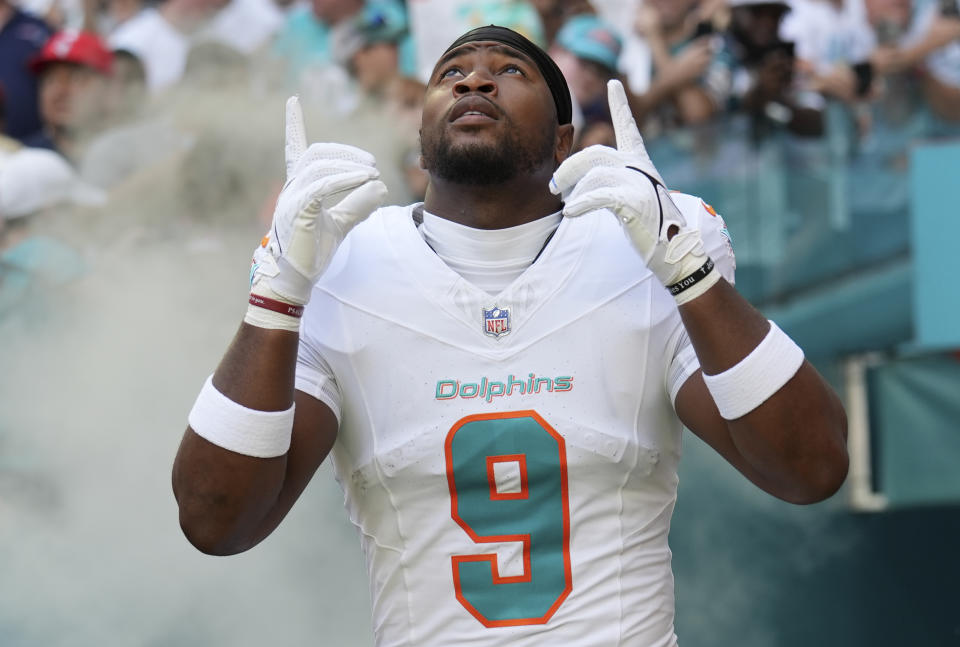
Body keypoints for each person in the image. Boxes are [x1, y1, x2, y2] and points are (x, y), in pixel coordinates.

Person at [172, 25, 848, 645]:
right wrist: (278, 294)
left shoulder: (646, 242)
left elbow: (810, 467)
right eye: (452, 73)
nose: (474, 80)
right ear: (421, 136)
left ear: (564, 139)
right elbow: (216, 521)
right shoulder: (343, 260)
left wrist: (687, 270)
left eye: (510, 70)